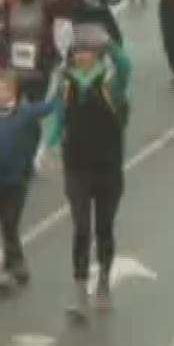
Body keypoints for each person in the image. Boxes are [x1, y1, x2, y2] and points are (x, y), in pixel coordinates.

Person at [45, 24, 133, 321]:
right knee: (81, 228)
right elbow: (59, 114)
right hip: (77, 166)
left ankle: (104, 283)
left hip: (108, 167)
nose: (82, 56)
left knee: (104, 228)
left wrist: (107, 42)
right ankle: (80, 293)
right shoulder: (67, 82)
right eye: (78, 51)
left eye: (87, 51)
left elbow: (125, 65)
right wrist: (50, 144)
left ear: (97, 55)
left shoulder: (111, 84)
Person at [0, 69, 57, 294]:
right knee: (4, 221)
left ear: (14, 93)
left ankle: (10, 269)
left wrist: (66, 87)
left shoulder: (24, 113)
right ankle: (19, 265)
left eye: (2, 90)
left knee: (11, 221)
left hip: (18, 178)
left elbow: (50, 107)